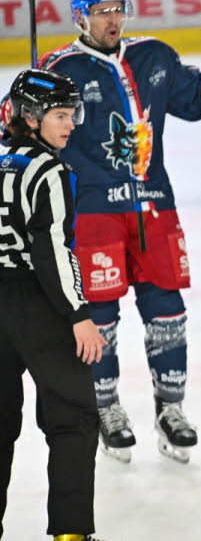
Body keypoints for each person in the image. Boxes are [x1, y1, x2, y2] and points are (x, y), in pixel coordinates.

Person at [39, 0, 201, 463]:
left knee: (167, 313)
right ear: (80, 17)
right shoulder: (61, 70)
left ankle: (171, 410)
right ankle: (106, 408)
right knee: (101, 320)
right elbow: (22, 124)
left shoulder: (153, 56)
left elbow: (195, 98)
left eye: (117, 9)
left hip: (154, 206)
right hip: (92, 213)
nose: (111, 19)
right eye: (100, 12)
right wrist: (21, 111)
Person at [0, 69, 108, 541]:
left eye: (72, 114)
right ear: (30, 117)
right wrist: (79, 315)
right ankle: (70, 532)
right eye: (60, 115)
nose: (70, 125)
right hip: (40, 307)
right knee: (73, 420)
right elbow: (53, 252)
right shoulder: (49, 172)